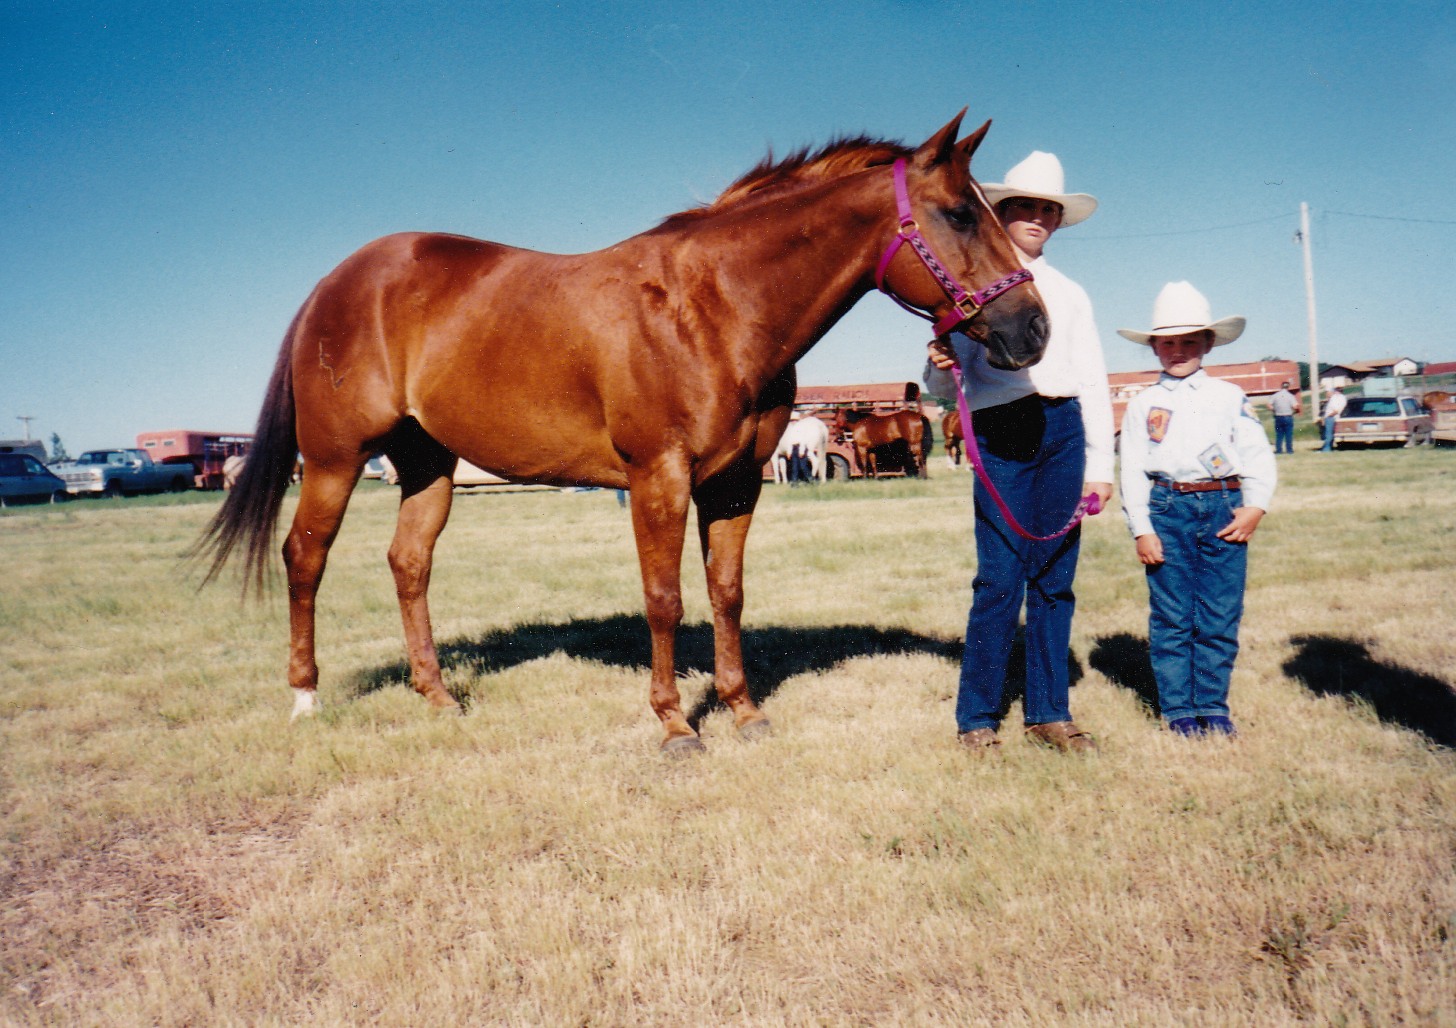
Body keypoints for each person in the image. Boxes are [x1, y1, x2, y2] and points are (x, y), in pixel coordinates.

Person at [925, 151, 1115, 755]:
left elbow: (1093, 381)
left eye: (1046, 211)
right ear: (999, 214)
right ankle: (977, 720)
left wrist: (1101, 469)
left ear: (1057, 222)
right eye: (1024, 208)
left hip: (1062, 427)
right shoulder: (972, 283)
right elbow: (940, 382)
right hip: (1000, 429)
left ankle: (1048, 714)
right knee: (1000, 580)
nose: (1036, 218)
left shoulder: (1072, 293)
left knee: (1055, 581)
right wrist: (938, 364)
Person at [1116, 282, 1276, 737]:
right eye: (1168, 342)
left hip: (1225, 506)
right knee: (1172, 615)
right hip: (1168, 507)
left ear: (1209, 343)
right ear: (1153, 348)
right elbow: (1131, 469)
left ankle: (1212, 705)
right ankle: (1178, 710)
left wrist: (1255, 506)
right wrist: (1141, 528)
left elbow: (1258, 453)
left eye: (1190, 341)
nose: (1179, 350)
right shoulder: (1142, 404)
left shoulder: (1229, 396)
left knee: (1219, 612)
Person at [1269, 380, 1300, 454]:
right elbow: (1295, 406)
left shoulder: (1275, 395)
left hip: (1278, 416)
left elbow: (1269, 405)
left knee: (1279, 434)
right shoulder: (1290, 396)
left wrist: (1274, 410)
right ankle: (1289, 450)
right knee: (1288, 434)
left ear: (1281, 386)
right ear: (1288, 387)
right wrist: (1295, 411)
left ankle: (1279, 450)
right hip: (1288, 416)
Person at [1319, 385, 1347, 451]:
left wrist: (1328, 416)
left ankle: (1326, 449)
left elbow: (1336, 410)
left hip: (1331, 417)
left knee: (1328, 434)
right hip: (1334, 417)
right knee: (1330, 434)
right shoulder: (1342, 398)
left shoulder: (1337, 398)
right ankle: (1329, 447)